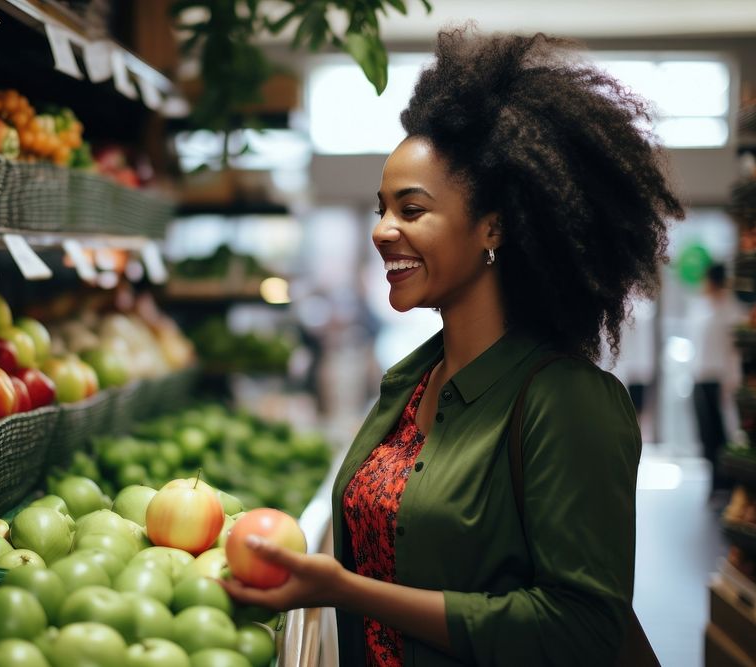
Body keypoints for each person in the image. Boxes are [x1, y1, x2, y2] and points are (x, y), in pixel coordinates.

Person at [221, 27, 683, 666]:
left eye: (412, 210)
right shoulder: (410, 384)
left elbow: (582, 630)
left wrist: (347, 590)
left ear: (494, 224)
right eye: (381, 209)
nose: (383, 231)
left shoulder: (568, 402)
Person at [690, 263, 742, 498]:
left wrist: (731, 380)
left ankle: (726, 483)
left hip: (720, 380)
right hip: (700, 378)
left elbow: (734, 351)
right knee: (706, 435)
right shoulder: (702, 308)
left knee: (722, 435)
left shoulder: (732, 310)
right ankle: (715, 482)